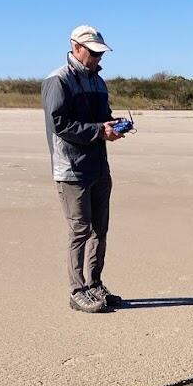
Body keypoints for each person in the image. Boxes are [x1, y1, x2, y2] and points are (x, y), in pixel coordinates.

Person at [42, 25, 126, 313]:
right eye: (93, 53)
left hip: (98, 166)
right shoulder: (58, 81)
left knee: (99, 229)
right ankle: (77, 290)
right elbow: (60, 125)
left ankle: (94, 284)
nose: (98, 59)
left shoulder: (98, 82)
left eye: (100, 54)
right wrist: (98, 131)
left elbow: (100, 118)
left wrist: (112, 126)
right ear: (76, 47)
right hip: (71, 169)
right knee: (80, 230)